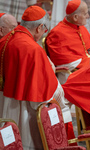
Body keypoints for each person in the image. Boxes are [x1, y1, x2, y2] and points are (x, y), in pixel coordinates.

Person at [0, 6, 74, 149]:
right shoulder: (33, 49)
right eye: (45, 30)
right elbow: (43, 94)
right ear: (40, 27)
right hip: (24, 108)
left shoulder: (5, 40)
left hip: (4, 103)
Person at [45, 0, 90, 85]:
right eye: (85, 14)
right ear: (75, 17)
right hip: (72, 77)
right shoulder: (57, 33)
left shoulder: (80, 27)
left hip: (88, 69)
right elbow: (65, 62)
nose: (88, 16)